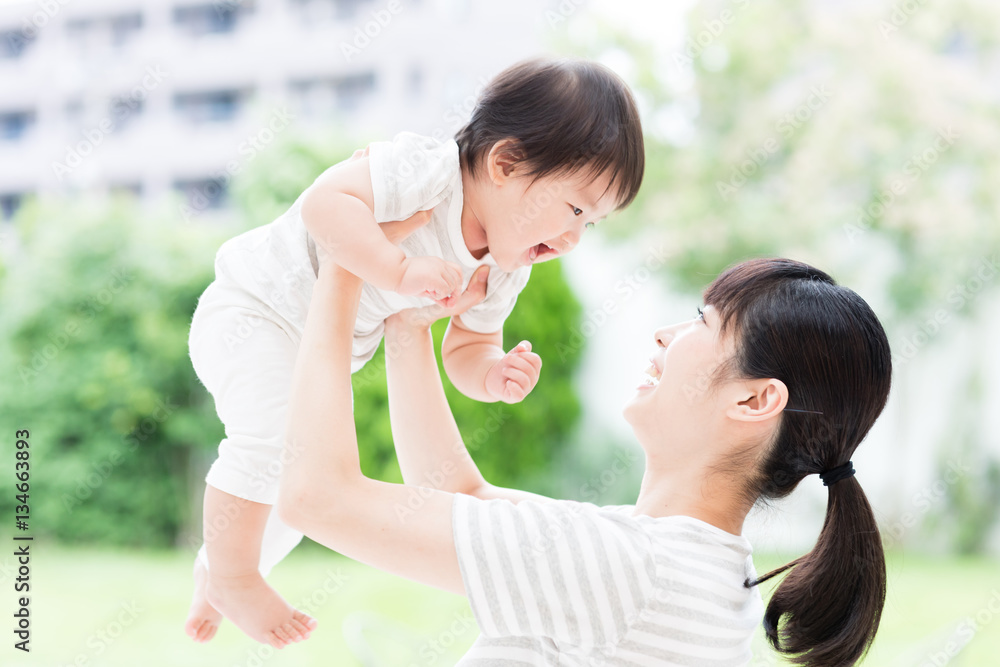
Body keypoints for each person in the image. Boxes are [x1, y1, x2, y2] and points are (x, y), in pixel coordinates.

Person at [184, 57, 645, 647]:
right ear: (505, 164)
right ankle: (235, 574)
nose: (575, 237)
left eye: (594, 224)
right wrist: (396, 267)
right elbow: (324, 206)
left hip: (311, 356)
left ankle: (218, 566)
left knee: (296, 477)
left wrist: (491, 374)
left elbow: (468, 345)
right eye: (576, 209)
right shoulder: (426, 172)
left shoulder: (503, 270)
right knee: (272, 444)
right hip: (254, 310)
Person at [277, 251, 892, 666]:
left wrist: (343, 266)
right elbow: (462, 495)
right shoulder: (685, 565)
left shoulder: (631, 569)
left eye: (703, 321)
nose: (665, 336)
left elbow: (317, 498)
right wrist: (408, 327)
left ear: (756, 399)